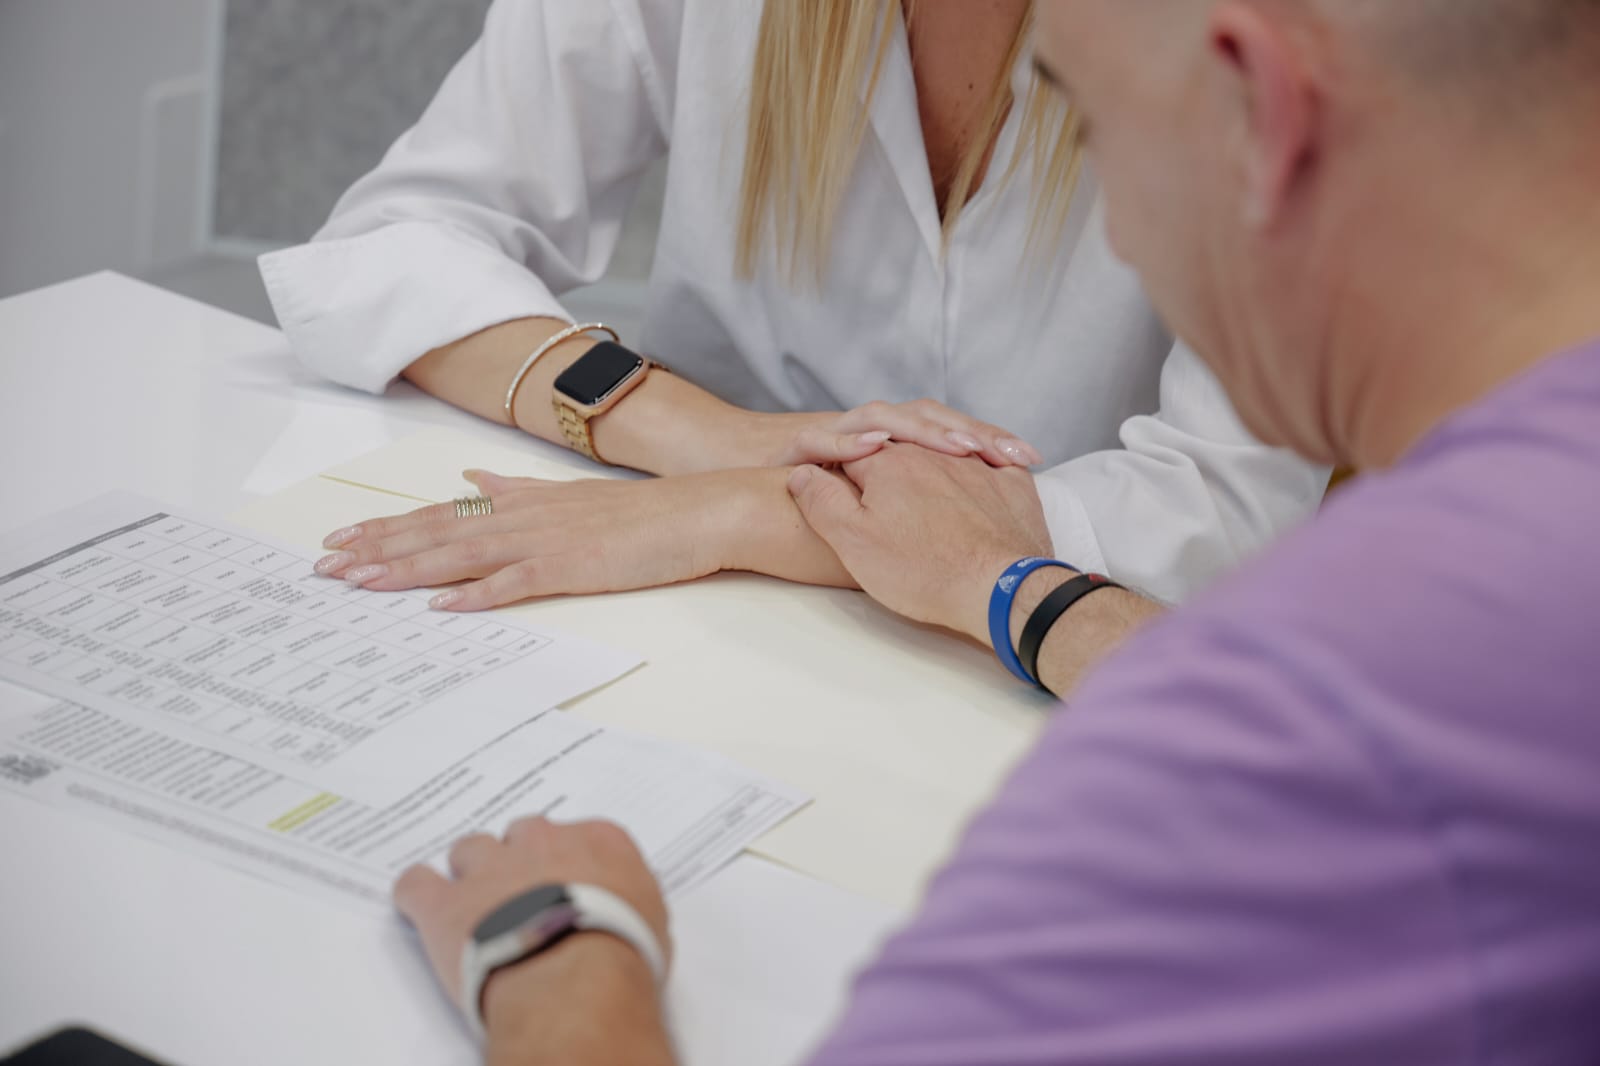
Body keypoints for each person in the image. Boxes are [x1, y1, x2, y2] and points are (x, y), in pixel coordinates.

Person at [388, 0, 1600, 1062]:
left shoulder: (1318, 728)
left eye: (1091, 123)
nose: (1116, 242)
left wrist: (558, 961)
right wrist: (1004, 582)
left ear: (1260, 113)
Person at [261, 0, 1326, 692]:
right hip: (692, 619)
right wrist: (702, 435)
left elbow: (1228, 501)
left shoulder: (1283, 40)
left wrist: (747, 508)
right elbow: (392, 245)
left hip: (1057, 663)